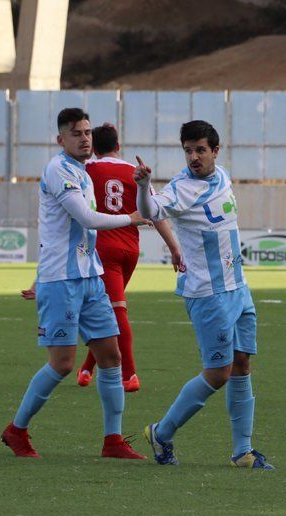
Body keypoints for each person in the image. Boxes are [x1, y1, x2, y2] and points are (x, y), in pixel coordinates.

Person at [1, 108, 150, 459]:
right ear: (60, 139)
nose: (84, 138)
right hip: (63, 280)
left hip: (90, 276)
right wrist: (130, 217)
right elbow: (84, 217)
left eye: (87, 132)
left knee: (111, 357)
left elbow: (60, 231)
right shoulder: (58, 170)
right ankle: (16, 430)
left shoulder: (83, 172)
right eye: (76, 133)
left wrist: (142, 188)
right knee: (64, 364)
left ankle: (113, 441)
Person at [133, 120, 274, 470]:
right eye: (187, 150)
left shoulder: (222, 176)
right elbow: (150, 211)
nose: (193, 157)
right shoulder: (181, 189)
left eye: (199, 149)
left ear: (215, 151)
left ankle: (243, 451)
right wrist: (144, 185)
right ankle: (162, 433)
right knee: (218, 373)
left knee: (242, 365)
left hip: (238, 288)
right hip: (208, 294)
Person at [75, 123, 182, 392]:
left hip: (103, 250)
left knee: (114, 311)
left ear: (94, 148)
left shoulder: (86, 170)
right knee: (108, 309)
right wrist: (174, 247)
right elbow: (156, 213)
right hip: (130, 250)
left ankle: (129, 374)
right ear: (118, 146)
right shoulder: (133, 172)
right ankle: (87, 368)